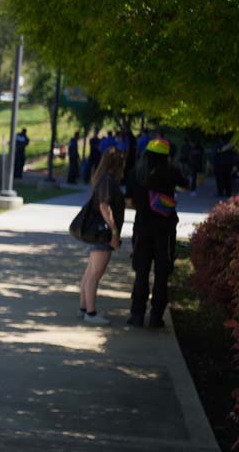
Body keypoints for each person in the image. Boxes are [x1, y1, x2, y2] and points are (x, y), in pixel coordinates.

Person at [128, 138, 187, 328]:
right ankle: (156, 317)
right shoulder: (171, 171)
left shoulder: (136, 173)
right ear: (166, 155)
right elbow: (186, 185)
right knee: (162, 275)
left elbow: (130, 202)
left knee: (141, 273)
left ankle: (137, 316)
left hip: (142, 229)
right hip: (166, 230)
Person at [78, 148, 126, 325]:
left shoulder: (101, 178)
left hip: (98, 232)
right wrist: (114, 232)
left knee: (90, 272)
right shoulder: (107, 180)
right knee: (94, 274)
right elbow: (105, 207)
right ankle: (90, 313)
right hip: (103, 233)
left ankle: (84, 308)